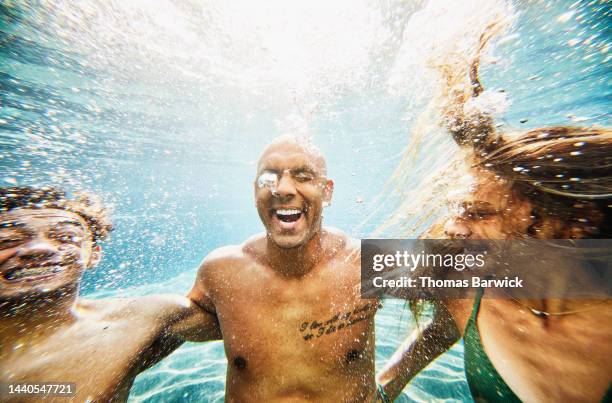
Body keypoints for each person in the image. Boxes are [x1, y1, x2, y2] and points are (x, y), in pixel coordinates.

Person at [376, 25, 612, 402]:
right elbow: (441, 328)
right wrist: (386, 385)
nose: (453, 227)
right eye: (458, 209)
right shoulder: (469, 292)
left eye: (480, 213)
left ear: (575, 224)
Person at [188, 135, 393, 402]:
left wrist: (388, 387)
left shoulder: (366, 261)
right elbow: (163, 329)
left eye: (303, 176)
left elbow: (461, 274)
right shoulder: (220, 272)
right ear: (255, 191)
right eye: (269, 177)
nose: (283, 189)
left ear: (327, 190)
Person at [0, 187, 221, 402]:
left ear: (93, 255)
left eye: (66, 236)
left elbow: (245, 321)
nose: (39, 248)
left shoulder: (144, 318)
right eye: (8, 239)